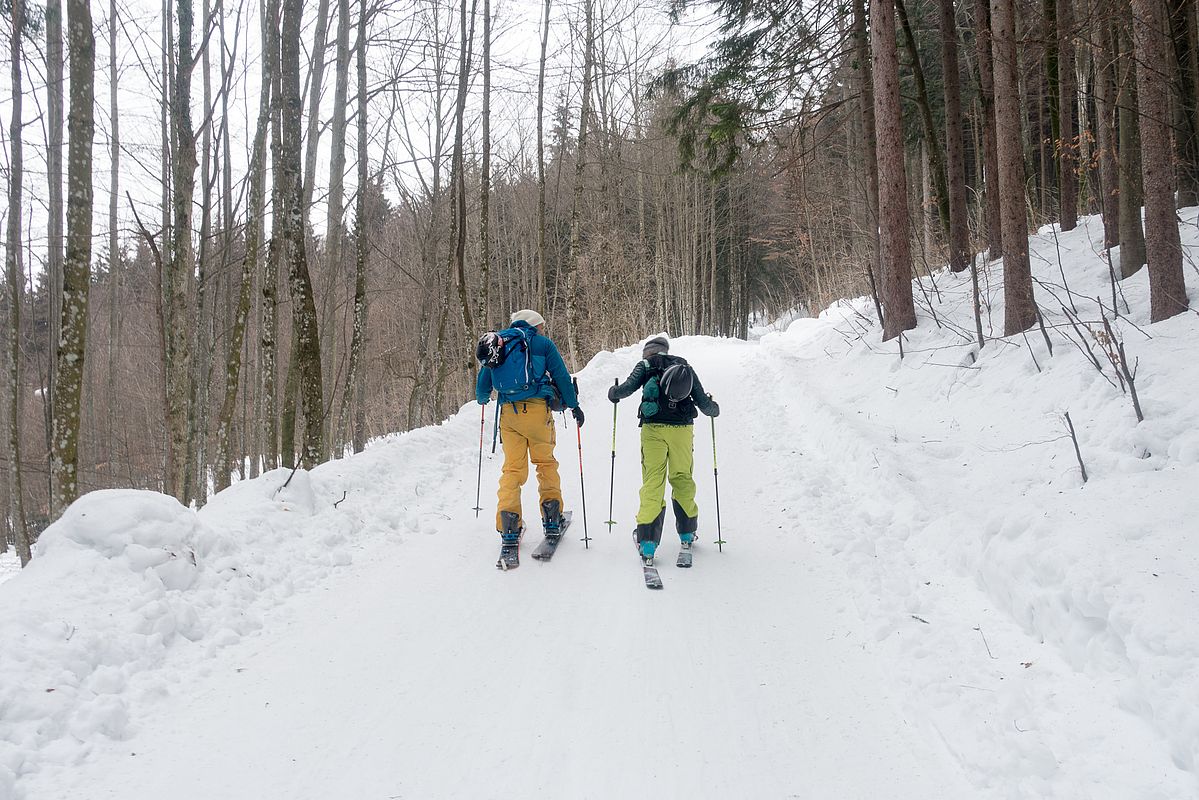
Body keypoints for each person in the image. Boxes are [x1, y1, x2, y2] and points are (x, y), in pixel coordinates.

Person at [477, 310, 585, 560]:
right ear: (536, 325)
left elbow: (483, 385)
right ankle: (552, 520)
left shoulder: (498, 343)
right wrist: (574, 404)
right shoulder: (542, 343)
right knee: (545, 464)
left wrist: (483, 399)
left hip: (508, 414)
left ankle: (509, 528)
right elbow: (560, 375)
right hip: (537, 411)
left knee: (512, 470)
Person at [608, 335, 719, 563]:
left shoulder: (645, 365)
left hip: (654, 430)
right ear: (666, 351)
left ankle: (648, 544)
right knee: (682, 478)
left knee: (654, 482)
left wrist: (613, 392)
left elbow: (626, 389)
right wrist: (713, 408)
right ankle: (687, 533)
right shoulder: (683, 366)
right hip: (682, 431)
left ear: (648, 352)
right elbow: (702, 401)